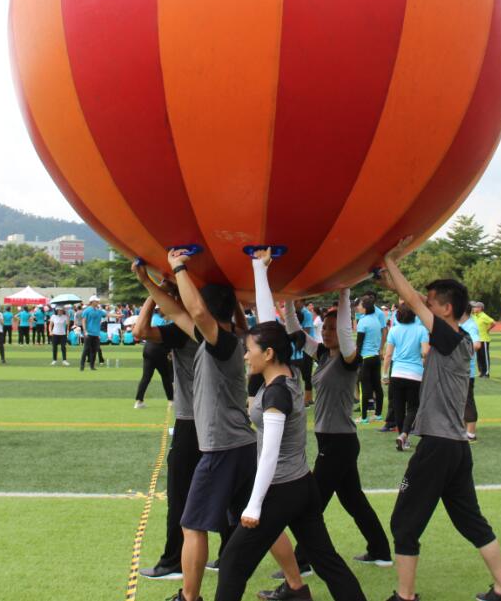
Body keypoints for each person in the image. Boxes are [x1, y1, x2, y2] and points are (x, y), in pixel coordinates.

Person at [216, 250, 366, 601]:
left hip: (281, 490)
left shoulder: (276, 395)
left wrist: (253, 506)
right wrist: (259, 270)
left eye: (249, 349)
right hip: (303, 487)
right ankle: (301, 595)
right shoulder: (290, 373)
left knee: (235, 561)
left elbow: (268, 456)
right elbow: (269, 326)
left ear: (267, 354)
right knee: (326, 560)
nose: (246, 354)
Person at [378, 238, 501, 601]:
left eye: (434, 303)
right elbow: (415, 299)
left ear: (448, 308)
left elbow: (412, 301)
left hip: (438, 447)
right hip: (456, 449)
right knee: (472, 523)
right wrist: (391, 281)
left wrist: (390, 257)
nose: (427, 306)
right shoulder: (457, 337)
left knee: (403, 525)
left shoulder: (450, 337)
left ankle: (405, 597)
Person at [269, 253, 391, 583]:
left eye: (331, 327)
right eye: (324, 326)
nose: (327, 331)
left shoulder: (349, 359)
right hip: (332, 439)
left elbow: (345, 333)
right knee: (353, 499)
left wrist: (344, 292)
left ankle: (302, 561)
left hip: (338, 442)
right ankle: (380, 550)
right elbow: (294, 330)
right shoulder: (322, 354)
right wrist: (290, 301)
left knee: (312, 503)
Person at [160, 248, 258, 601]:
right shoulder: (212, 340)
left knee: (192, 524)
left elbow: (196, 310)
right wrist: (149, 283)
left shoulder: (222, 343)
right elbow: (176, 310)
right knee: (260, 523)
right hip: (241, 446)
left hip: (222, 449)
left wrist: (180, 267)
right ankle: (296, 585)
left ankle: (190, 597)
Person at [383, 306, 428, 452]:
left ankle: (403, 436)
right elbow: (425, 352)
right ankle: (404, 434)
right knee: (413, 407)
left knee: (398, 407)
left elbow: (388, 355)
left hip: (397, 373)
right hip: (415, 374)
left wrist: (384, 374)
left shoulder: (394, 330)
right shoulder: (421, 330)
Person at [134, 304, 174, 408]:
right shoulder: (159, 320)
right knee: (166, 376)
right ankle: (171, 400)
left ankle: (139, 401)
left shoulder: (154, 318)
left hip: (148, 349)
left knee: (146, 377)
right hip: (158, 349)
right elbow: (165, 336)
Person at [356, 296, 388, 423]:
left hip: (366, 358)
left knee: (364, 389)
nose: (358, 306)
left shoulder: (363, 322)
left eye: (360, 305)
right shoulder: (376, 320)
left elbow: (359, 344)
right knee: (377, 386)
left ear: (365, 307)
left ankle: (364, 418)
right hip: (375, 357)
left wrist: (356, 359)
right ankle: (378, 414)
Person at [460, 310, 483, 442]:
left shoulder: (470, 326)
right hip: (460, 370)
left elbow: (477, 344)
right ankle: (463, 430)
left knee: (468, 401)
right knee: (461, 402)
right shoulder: (461, 324)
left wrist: (460, 352)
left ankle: (471, 433)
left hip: (467, 371)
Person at [80, 296, 107, 371]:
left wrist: (118, 316)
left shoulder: (98, 311)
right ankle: (82, 366)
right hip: (89, 333)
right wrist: (85, 331)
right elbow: (83, 321)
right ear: (92, 302)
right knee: (86, 349)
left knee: (94, 350)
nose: (98, 302)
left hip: (96, 334)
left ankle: (92, 366)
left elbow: (107, 314)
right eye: (96, 301)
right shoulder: (87, 310)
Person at [471, 302, 495, 378]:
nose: (474, 308)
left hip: (484, 339)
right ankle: (481, 371)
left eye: (475, 307)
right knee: (479, 357)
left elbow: (493, 322)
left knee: (484, 356)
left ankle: (486, 372)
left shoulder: (484, 316)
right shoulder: (474, 316)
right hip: (477, 340)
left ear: (480, 308)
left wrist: (487, 330)